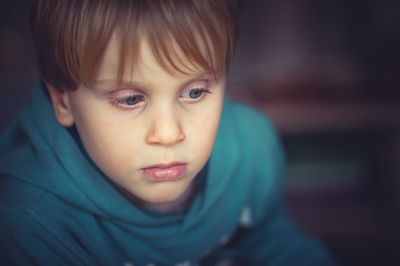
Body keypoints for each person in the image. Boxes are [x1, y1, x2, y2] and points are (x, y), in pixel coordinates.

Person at [0, 0, 336, 265]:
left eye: (194, 92)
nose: (169, 133)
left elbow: (272, 241)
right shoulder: (32, 222)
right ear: (63, 101)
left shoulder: (251, 150)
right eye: (130, 99)